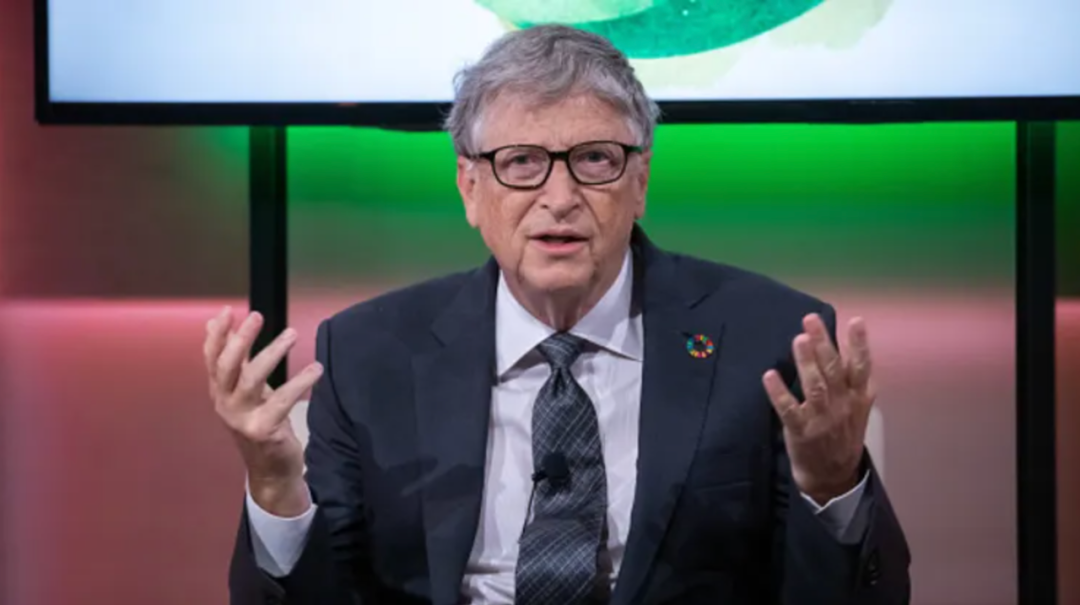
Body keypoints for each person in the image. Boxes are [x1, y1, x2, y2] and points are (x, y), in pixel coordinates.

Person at [207, 24, 910, 605]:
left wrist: (833, 484)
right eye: (521, 162)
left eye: (595, 160)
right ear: (470, 187)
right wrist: (275, 487)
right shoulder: (371, 353)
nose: (561, 196)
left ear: (640, 181)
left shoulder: (766, 339)